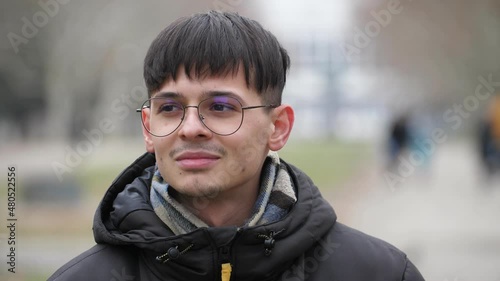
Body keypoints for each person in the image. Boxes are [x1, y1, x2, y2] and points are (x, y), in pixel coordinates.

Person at [48, 11, 425, 281]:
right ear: (148, 128)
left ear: (278, 127)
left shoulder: (382, 273)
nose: (191, 128)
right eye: (170, 108)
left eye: (221, 107)